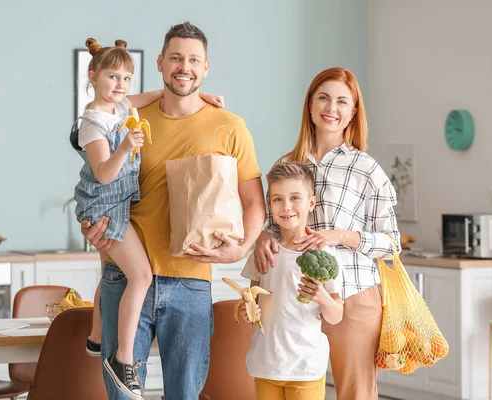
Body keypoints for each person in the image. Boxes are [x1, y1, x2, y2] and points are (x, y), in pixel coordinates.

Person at [81, 22, 266, 400]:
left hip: (192, 282)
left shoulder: (230, 126)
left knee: (184, 394)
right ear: (161, 63)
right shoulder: (126, 119)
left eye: (194, 59)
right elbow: (101, 181)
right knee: (123, 396)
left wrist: (242, 247)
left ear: (206, 67)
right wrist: (92, 226)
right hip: (125, 277)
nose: (185, 67)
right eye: (177, 58)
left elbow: (254, 203)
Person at [252, 67, 400, 400]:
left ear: (352, 113)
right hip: (293, 299)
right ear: (309, 105)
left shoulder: (367, 169)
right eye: (323, 98)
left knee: (355, 393)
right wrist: (265, 234)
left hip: (353, 296)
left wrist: (340, 236)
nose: (331, 108)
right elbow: (275, 220)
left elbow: (392, 246)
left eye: (341, 102)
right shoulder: (288, 163)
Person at [240, 162, 343, 400]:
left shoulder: (324, 253)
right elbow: (247, 302)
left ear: (311, 202)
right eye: (277, 199)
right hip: (266, 364)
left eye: (295, 198)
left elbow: (336, 315)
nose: (286, 207)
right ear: (269, 205)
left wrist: (321, 296)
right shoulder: (263, 252)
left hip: (305, 367)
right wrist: (245, 311)